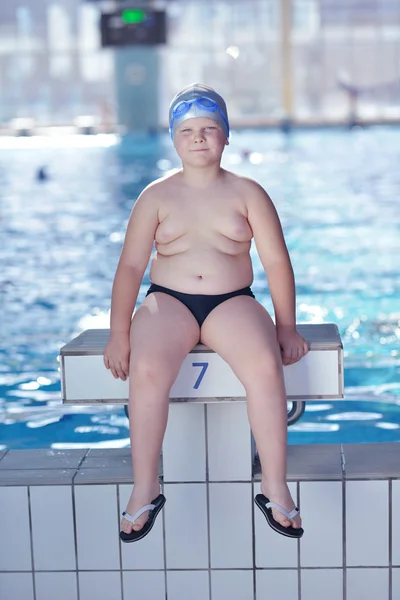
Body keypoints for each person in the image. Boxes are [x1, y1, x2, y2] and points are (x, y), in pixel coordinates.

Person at [103, 83, 308, 543]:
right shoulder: (155, 196)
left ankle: (274, 484)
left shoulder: (248, 192)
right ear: (174, 139)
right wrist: (120, 334)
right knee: (149, 368)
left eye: (210, 129)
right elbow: (131, 266)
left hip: (232, 301)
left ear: (227, 136)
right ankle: (146, 488)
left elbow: (277, 263)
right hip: (168, 300)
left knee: (263, 366)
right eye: (188, 130)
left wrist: (286, 327)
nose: (199, 138)